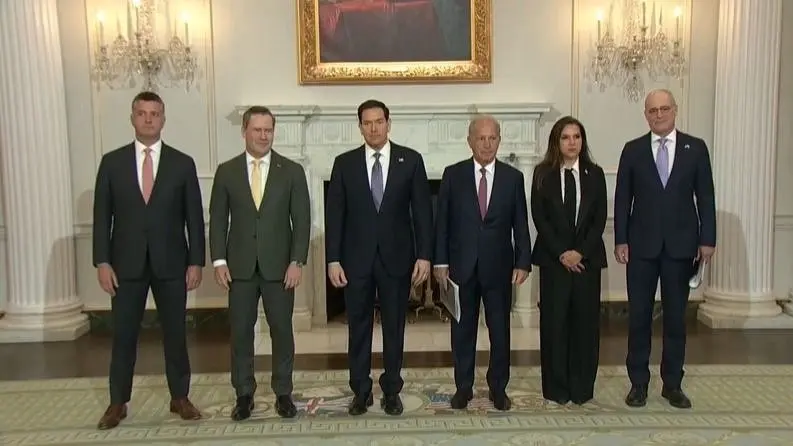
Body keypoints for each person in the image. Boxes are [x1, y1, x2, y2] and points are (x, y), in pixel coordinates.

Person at [92, 91, 205, 429]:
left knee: (175, 334)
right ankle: (118, 402)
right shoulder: (112, 163)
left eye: (154, 113)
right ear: (132, 118)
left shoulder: (182, 163)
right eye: (142, 113)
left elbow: (194, 218)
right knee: (124, 335)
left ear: (163, 119)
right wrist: (102, 262)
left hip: (172, 263)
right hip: (124, 265)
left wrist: (196, 262)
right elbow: (102, 217)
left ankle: (180, 397)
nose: (148, 119)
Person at [325, 99, 433, 416]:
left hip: (397, 259)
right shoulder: (344, 163)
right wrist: (333, 259)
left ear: (388, 123)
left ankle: (391, 390)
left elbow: (423, 213)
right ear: (360, 127)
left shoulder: (410, 161)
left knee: (394, 328)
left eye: (379, 122)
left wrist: (424, 256)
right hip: (355, 261)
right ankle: (361, 391)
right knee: (358, 327)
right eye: (367, 123)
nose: (373, 128)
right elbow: (335, 216)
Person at [614, 89, 716, 409]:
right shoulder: (632, 150)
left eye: (664, 109)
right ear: (646, 115)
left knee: (675, 319)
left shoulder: (695, 148)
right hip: (641, 247)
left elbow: (706, 197)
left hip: (681, 247)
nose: (659, 115)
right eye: (652, 110)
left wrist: (708, 239)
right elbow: (622, 199)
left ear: (675, 110)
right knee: (639, 318)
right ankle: (638, 384)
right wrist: (620, 240)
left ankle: (672, 384)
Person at [208, 106, 311, 421]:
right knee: (241, 332)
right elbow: (217, 220)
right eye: (257, 130)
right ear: (244, 131)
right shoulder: (226, 171)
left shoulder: (291, 171)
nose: (264, 136)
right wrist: (219, 260)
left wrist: (297, 261)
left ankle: (283, 393)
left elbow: (302, 221)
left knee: (282, 331)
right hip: (238, 268)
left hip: (280, 268)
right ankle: (243, 394)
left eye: (268, 130)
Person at [433, 115, 531, 411]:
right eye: (481, 138)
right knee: (462, 331)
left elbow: (520, 224)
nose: (487, 144)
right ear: (470, 141)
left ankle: (498, 388)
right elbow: (442, 223)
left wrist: (523, 261)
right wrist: (440, 261)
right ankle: (463, 388)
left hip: (499, 268)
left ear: (499, 140)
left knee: (500, 332)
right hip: (461, 267)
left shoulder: (513, 178)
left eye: (492, 138)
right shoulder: (453, 175)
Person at [530, 116, 607, 406]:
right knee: (555, 326)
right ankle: (556, 389)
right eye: (565, 137)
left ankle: (582, 389)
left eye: (577, 137)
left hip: (586, 262)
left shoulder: (595, 174)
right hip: (554, 262)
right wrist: (562, 252)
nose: (572, 142)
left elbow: (599, 218)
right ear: (556, 142)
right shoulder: (542, 174)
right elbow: (540, 217)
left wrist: (580, 252)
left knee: (585, 327)